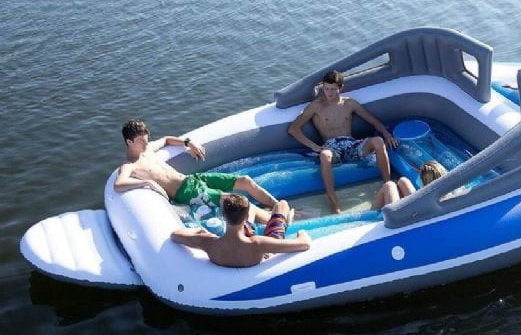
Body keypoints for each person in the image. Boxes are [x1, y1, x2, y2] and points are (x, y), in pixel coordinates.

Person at [114, 119, 279, 224]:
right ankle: (277, 222)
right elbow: (118, 184)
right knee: (238, 201)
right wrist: (147, 182)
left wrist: (188, 142)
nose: (146, 143)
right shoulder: (130, 165)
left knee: (245, 180)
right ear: (129, 142)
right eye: (141, 140)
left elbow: (166, 139)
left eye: (146, 139)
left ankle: (276, 207)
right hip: (187, 193)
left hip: (193, 179)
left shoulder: (148, 149)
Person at [288, 70, 399, 214]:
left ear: (340, 88)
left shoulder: (349, 103)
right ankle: (334, 202)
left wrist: (386, 134)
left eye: (333, 89)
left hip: (351, 144)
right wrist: (314, 146)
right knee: (325, 155)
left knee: (378, 141)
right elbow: (293, 129)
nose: (329, 93)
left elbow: (372, 120)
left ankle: (387, 185)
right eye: (326, 88)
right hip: (331, 146)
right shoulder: (316, 106)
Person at [171, 194, 311, 267]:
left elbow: (176, 235)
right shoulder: (258, 243)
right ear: (245, 216)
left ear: (223, 215)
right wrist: (301, 232)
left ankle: (267, 216)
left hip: (239, 236)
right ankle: (285, 220)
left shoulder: (209, 243)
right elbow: (304, 243)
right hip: (266, 250)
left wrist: (199, 231)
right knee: (282, 204)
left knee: (252, 210)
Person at [374, 160, 448, 208]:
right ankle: (376, 210)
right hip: (419, 207)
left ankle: (375, 214)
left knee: (389, 185)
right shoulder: (447, 190)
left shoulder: (429, 198)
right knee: (403, 181)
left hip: (407, 219)